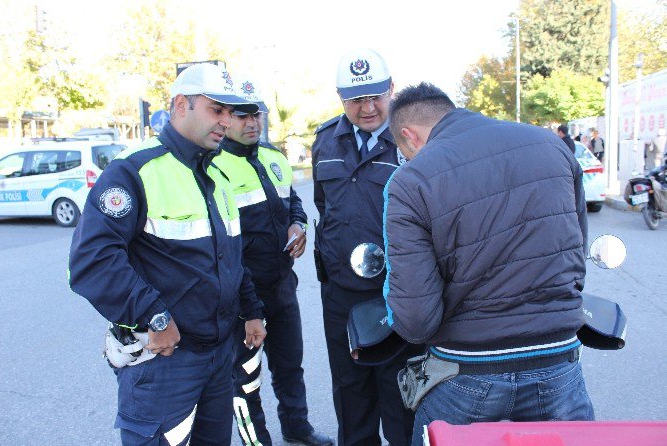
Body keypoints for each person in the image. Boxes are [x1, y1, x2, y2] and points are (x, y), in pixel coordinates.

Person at [383, 83, 593, 446]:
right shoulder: (551, 146)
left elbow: (416, 321)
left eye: (405, 152)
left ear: (409, 136)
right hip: (559, 360)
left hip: (469, 368)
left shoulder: (410, 182)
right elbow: (576, 253)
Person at [68, 63, 267, 446]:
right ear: (181, 105)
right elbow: (90, 261)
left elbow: (230, 259)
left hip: (218, 355)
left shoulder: (217, 175)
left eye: (231, 111)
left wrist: (252, 309)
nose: (226, 121)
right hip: (166, 361)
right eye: (216, 109)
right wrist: (154, 316)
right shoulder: (135, 170)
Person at [215, 76, 333, 446]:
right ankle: (256, 441)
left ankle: (297, 429)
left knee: (289, 367)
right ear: (226, 118)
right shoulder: (214, 166)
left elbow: (293, 203)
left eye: (257, 115)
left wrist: (298, 226)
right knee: (244, 379)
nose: (252, 123)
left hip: (283, 289)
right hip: (242, 298)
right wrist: (247, 305)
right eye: (242, 115)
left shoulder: (274, 157)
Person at [312, 48, 416, 446]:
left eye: (376, 95)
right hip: (340, 293)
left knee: (400, 394)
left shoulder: (411, 139)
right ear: (342, 98)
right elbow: (326, 208)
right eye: (356, 99)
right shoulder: (325, 141)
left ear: (392, 88)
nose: (368, 107)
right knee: (350, 393)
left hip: (397, 291)